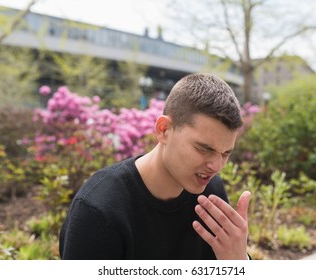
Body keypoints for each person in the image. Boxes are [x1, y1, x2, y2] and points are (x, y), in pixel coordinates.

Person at [59, 73, 251, 260]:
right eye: (203, 148)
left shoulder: (211, 192)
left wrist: (240, 264)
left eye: (226, 153)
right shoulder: (98, 211)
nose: (216, 166)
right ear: (164, 130)